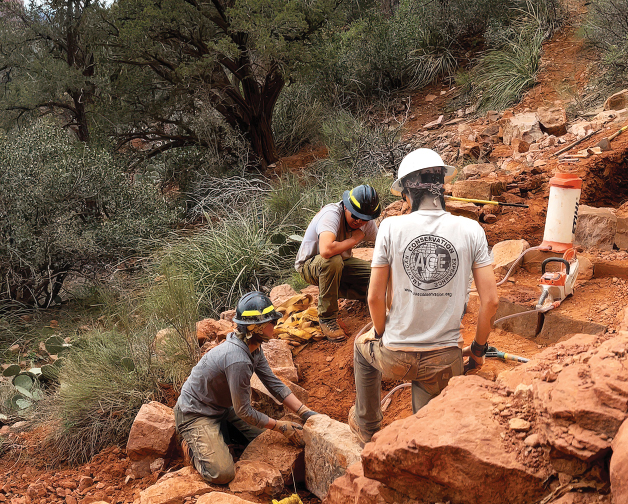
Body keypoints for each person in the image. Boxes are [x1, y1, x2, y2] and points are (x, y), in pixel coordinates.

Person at [348, 148, 499, 444]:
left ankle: (368, 426)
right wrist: (478, 352)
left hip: (394, 355)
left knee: (360, 350)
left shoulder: (390, 228)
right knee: (429, 432)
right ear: (441, 187)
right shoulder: (471, 230)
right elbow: (491, 302)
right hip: (444, 360)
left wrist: (380, 334)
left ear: (408, 193)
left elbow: (374, 298)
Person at [174, 291, 318, 484]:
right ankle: (193, 447)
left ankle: (224, 433)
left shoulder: (253, 347)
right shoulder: (238, 359)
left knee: (265, 440)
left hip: (222, 406)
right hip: (195, 412)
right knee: (222, 473)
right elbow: (244, 411)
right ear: (256, 328)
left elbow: (273, 383)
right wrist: (280, 426)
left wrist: (305, 412)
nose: (275, 325)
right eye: (271, 322)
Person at [294, 184, 383, 341]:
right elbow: (326, 251)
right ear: (346, 207)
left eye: (365, 219)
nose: (359, 221)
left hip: (341, 264)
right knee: (332, 261)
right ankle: (327, 318)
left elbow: (384, 244)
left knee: (375, 274)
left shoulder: (365, 222)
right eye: (355, 216)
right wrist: (355, 239)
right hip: (310, 265)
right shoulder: (332, 214)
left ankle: (365, 295)